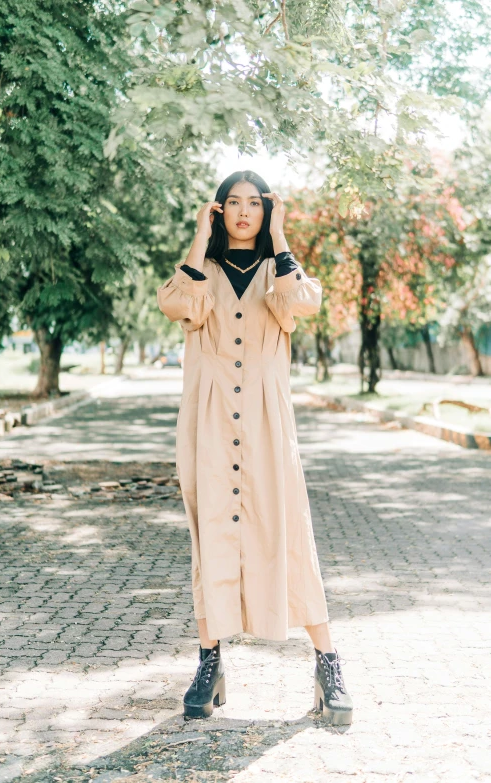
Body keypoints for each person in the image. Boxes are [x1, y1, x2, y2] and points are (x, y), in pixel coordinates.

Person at [157, 170, 353, 725]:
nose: (244, 212)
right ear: (219, 211)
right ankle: (209, 660)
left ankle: (328, 662)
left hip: (268, 420)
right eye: (231, 203)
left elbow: (305, 301)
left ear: (266, 212)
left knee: (290, 531)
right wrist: (199, 237)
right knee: (211, 534)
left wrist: (284, 236)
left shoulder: (277, 270)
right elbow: (176, 304)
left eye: (255, 204)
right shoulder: (204, 270)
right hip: (211, 418)